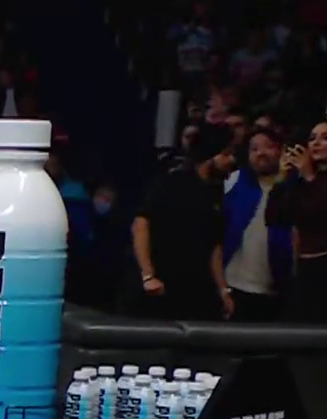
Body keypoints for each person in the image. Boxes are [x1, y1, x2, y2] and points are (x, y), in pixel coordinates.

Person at [123, 126, 236, 321]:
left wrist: (223, 289)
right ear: (210, 156)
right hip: (159, 289)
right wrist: (148, 276)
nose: (232, 160)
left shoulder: (217, 194)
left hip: (194, 293)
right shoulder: (169, 184)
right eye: (226, 154)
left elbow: (214, 247)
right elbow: (140, 226)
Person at [222, 130, 294, 322]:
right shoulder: (235, 181)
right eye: (254, 149)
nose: (261, 153)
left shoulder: (296, 187)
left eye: (268, 147)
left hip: (277, 290)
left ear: (282, 151)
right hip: (232, 285)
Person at [267, 122, 327, 323]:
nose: (316, 143)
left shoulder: (311, 179)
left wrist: (309, 176)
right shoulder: (301, 182)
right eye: (312, 138)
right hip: (303, 266)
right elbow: (274, 217)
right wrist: (281, 179)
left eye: (325, 138)